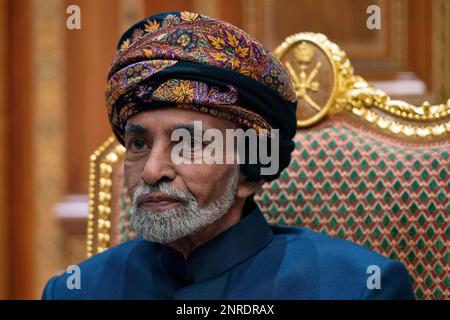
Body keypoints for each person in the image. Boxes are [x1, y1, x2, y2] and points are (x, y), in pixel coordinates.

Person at [42, 11, 415, 299]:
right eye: (139, 144)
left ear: (250, 170)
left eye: (188, 143)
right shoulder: (77, 290)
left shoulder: (359, 288)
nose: (153, 170)